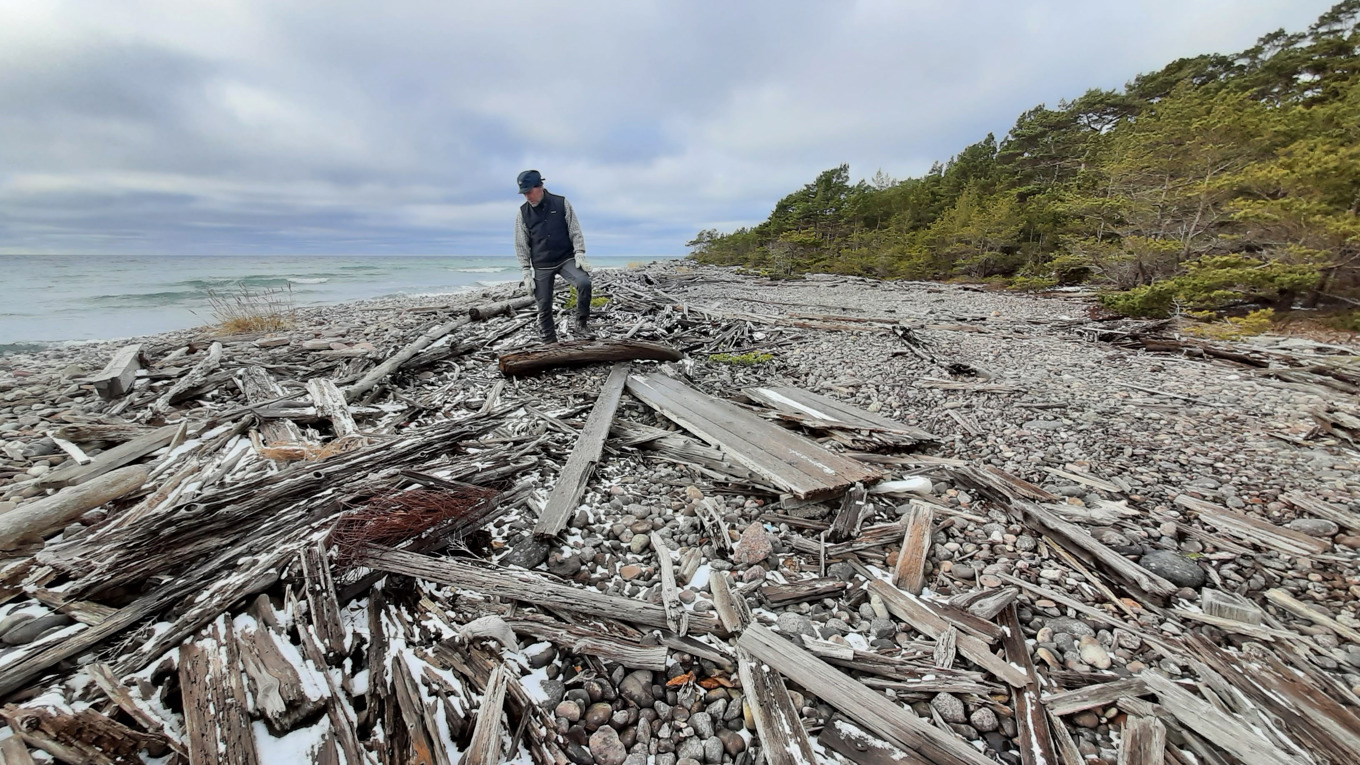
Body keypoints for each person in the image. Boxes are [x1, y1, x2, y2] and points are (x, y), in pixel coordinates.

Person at [514, 169, 593, 344]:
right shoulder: (523, 213)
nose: (527, 196)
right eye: (524, 193)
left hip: (566, 259)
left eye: (529, 191)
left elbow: (575, 231)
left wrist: (579, 254)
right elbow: (521, 244)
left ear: (540, 186)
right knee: (543, 306)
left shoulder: (561, 203)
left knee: (584, 282)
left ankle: (581, 324)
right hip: (541, 265)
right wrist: (526, 272)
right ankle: (550, 342)